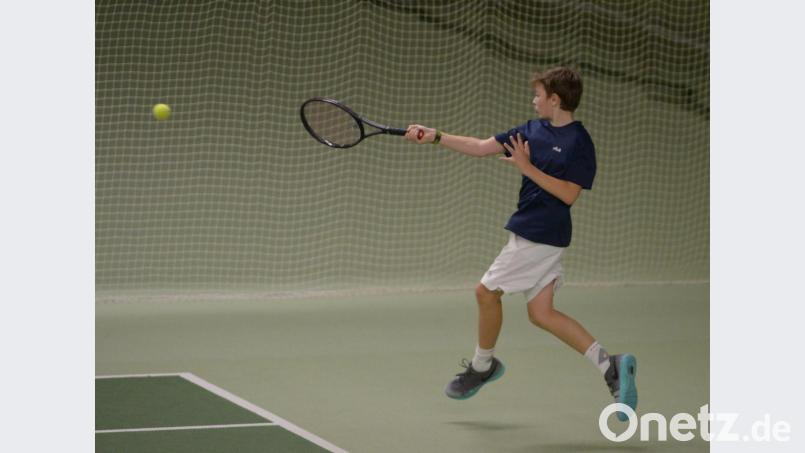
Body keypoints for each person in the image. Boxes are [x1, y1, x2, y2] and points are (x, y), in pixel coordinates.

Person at [404, 67, 636, 420]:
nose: (534, 100)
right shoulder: (530, 129)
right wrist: (436, 136)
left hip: (541, 233)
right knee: (542, 314)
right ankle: (610, 366)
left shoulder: (579, 142)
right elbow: (482, 147)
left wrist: (527, 168)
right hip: (536, 232)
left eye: (539, 95)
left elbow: (569, 194)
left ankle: (483, 365)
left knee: (485, 292)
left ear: (555, 100)